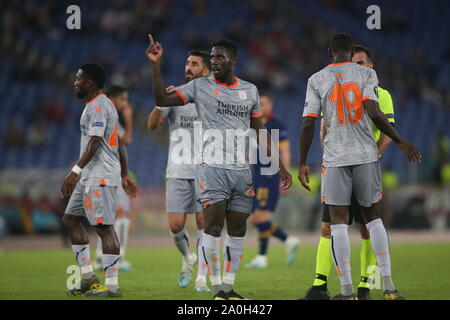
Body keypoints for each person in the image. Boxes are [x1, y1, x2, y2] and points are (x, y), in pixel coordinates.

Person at [146, 35, 292, 300]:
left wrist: (280, 167)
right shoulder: (199, 86)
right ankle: (216, 288)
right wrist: (156, 65)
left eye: (219, 57)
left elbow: (259, 132)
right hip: (212, 169)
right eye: (211, 57)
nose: (214, 61)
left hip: (241, 172)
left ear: (233, 61)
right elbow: (162, 99)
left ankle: (229, 287)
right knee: (212, 228)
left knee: (238, 230)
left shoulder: (250, 90)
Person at [298, 33, 421, 300]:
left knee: (338, 225)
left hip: (335, 159)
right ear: (349, 51)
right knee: (374, 221)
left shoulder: (317, 78)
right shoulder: (366, 76)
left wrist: (302, 161)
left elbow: (309, 122)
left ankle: (347, 292)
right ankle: (388, 288)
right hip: (366, 155)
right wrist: (401, 141)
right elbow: (374, 113)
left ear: (330, 51)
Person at [61, 63, 137, 298]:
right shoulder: (101, 106)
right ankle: (88, 277)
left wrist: (75, 170)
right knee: (71, 219)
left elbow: (95, 142)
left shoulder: (98, 106)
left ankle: (112, 288)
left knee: (104, 229)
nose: (75, 83)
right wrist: (124, 174)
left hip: (100, 176)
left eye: (78, 79)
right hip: (90, 176)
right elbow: (118, 144)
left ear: (90, 83)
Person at [147, 50, 211, 292]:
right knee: (175, 226)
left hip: (205, 170)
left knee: (205, 224)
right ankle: (188, 257)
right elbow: (151, 126)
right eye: (187, 62)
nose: (188, 67)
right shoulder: (177, 95)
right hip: (176, 170)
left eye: (194, 64)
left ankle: (202, 278)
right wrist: (160, 102)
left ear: (206, 70)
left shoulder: (212, 97)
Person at [246, 92, 300, 269]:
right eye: (258, 104)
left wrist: (284, 176)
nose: (260, 107)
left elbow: (285, 152)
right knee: (256, 218)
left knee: (260, 217)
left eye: (263, 103)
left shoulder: (277, 126)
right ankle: (288, 240)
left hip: (270, 176)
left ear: (271, 106)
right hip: (257, 176)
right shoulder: (254, 126)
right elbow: (252, 152)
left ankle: (262, 257)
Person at [94, 85, 135, 271]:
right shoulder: (110, 117)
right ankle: (118, 257)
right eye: (123, 99)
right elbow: (126, 140)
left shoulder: (103, 115)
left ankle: (99, 257)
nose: (124, 103)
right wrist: (129, 118)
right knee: (122, 215)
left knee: (106, 217)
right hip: (111, 172)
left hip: (104, 171)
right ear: (113, 99)